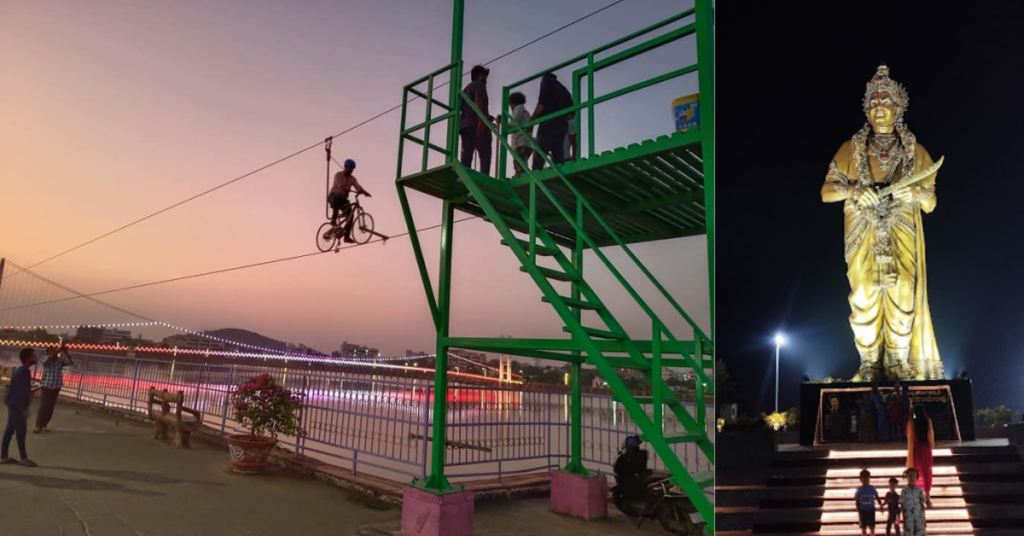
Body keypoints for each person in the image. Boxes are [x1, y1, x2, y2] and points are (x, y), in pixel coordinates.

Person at [820, 65, 944, 382]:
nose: (878, 108)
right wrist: (853, 190)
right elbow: (825, 192)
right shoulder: (851, 149)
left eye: (885, 102)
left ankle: (898, 364)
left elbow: (930, 202)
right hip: (863, 231)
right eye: (873, 103)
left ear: (898, 108)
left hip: (902, 231)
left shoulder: (916, 152)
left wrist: (914, 192)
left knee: (902, 292)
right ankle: (869, 364)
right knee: (863, 295)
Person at [2, 348, 41, 466]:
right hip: (17, 407)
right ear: (28, 358)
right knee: (21, 432)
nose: (36, 357)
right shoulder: (24, 372)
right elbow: (21, 393)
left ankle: (3, 456)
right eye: (33, 355)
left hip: (12, 404)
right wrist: (23, 409)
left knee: (9, 431)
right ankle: (23, 458)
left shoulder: (20, 371)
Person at [531, 72, 574, 170]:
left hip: (548, 123)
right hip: (562, 125)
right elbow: (571, 114)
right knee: (558, 155)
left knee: (540, 152)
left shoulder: (546, 82)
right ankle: (558, 176)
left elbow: (542, 103)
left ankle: (536, 178)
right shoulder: (565, 90)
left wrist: (532, 120)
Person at [327, 159, 371, 243]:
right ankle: (334, 218)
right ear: (345, 167)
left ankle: (346, 237)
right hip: (333, 197)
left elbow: (358, 186)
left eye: (352, 169)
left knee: (351, 215)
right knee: (337, 196)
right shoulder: (338, 175)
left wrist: (364, 192)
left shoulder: (352, 178)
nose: (351, 170)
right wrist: (342, 186)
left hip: (343, 200)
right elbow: (338, 182)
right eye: (349, 168)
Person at [460, 65, 494, 174]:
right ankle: (484, 178)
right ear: (480, 75)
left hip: (465, 126)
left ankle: (465, 176)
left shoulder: (465, 90)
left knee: (467, 154)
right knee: (485, 154)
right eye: (485, 76)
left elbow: (464, 107)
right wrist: (481, 121)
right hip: (477, 124)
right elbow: (478, 100)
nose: (486, 79)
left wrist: (486, 117)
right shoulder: (479, 85)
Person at [35, 343, 73, 433]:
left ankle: (45, 424)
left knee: (50, 407)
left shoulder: (60, 361)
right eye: (52, 350)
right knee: (43, 406)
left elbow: (71, 362)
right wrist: (59, 350)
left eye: (54, 350)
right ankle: (39, 425)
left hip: (56, 386)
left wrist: (66, 352)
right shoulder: (45, 359)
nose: (54, 352)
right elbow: (47, 361)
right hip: (46, 386)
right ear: (48, 352)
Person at [906, 404, 935, 501]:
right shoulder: (928, 421)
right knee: (926, 471)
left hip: (916, 449)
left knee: (915, 471)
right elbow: (930, 436)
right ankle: (927, 495)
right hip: (926, 448)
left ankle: (916, 494)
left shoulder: (912, 422)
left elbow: (907, 434)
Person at [507, 91, 533, 175]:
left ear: (512, 102)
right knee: (519, 164)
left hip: (521, 143)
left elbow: (514, 122)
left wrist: (504, 122)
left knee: (520, 165)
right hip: (524, 143)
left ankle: (524, 178)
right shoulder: (525, 112)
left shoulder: (519, 108)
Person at [854, 469, 884, 536]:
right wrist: (859, 510)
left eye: (867, 479)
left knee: (872, 526)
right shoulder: (859, 490)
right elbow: (857, 501)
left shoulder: (872, 488)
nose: (866, 481)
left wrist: (881, 505)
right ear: (861, 480)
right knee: (863, 527)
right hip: (863, 510)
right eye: (864, 480)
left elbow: (876, 496)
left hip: (871, 510)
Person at [900, 468, 928, 536]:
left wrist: (924, 519)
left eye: (913, 476)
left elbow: (922, 504)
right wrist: (903, 519)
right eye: (910, 476)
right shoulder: (904, 491)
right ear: (906, 477)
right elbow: (902, 505)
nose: (912, 478)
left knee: (919, 532)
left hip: (918, 516)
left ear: (916, 477)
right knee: (909, 532)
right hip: (908, 516)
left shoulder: (919, 490)